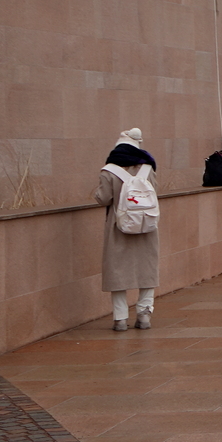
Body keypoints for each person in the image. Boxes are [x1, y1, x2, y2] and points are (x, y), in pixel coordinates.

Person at [96, 129, 159, 331]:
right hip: (146, 226)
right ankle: (144, 314)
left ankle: (120, 318)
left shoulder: (109, 170)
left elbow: (103, 198)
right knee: (147, 269)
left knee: (117, 271)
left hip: (118, 227)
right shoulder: (148, 169)